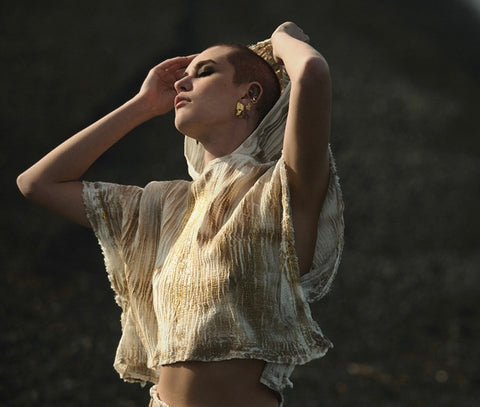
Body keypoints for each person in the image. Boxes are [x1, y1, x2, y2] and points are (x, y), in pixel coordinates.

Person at [17, 21, 344, 407]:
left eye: (204, 72)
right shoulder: (164, 206)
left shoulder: (283, 190)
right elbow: (37, 183)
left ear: (250, 93)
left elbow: (311, 72)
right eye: (183, 76)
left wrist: (282, 39)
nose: (181, 83)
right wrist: (142, 105)